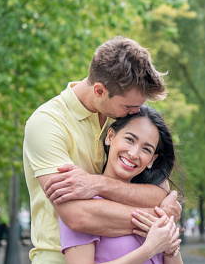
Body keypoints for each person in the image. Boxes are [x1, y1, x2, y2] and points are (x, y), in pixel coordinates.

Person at [23, 36, 182, 263]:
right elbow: (78, 217)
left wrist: (96, 183)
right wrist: (160, 219)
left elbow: (158, 189)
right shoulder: (47, 124)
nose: (136, 112)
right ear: (99, 91)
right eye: (129, 106)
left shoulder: (120, 115)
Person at [59, 106, 183, 263]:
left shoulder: (157, 204)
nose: (133, 153)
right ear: (110, 136)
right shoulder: (82, 201)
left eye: (146, 149)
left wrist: (171, 248)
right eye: (130, 140)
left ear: (152, 160)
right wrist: (149, 249)